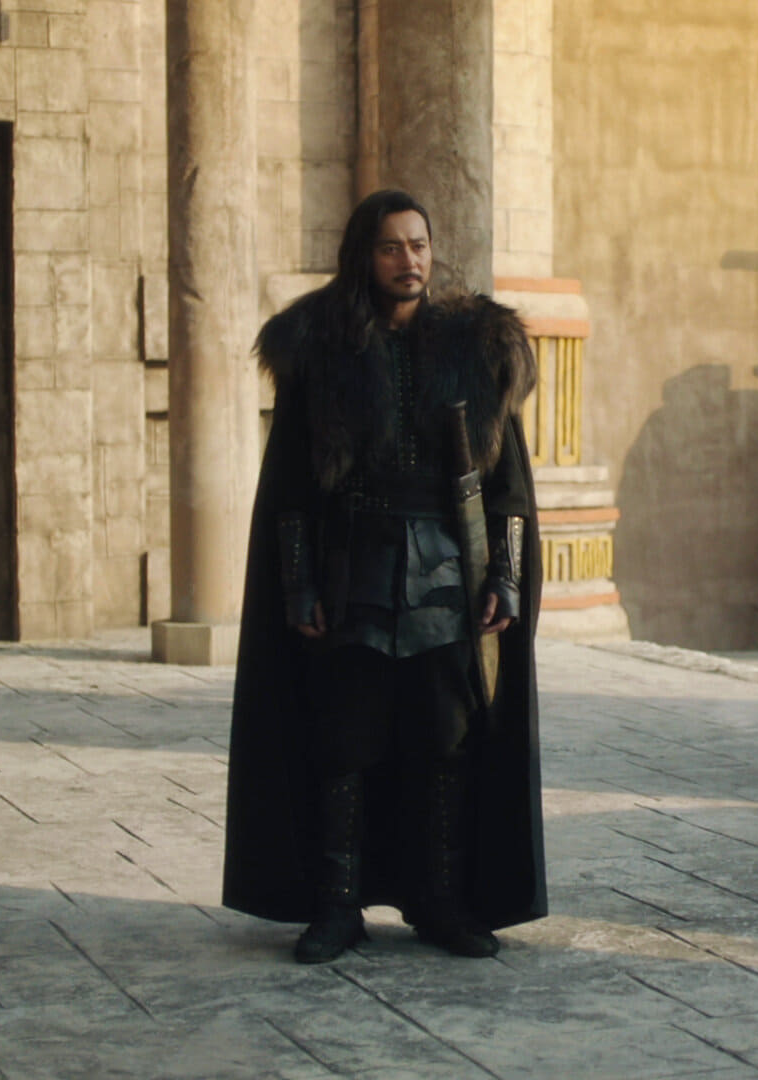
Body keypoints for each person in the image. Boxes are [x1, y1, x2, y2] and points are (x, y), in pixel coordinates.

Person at [221, 189, 545, 963]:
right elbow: (292, 488)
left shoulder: (475, 345)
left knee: (444, 739)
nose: (409, 261)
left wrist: (504, 577)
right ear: (364, 255)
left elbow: (506, 483)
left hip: (446, 575)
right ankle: (337, 907)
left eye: (419, 245)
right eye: (392, 247)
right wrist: (299, 586)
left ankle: (441, 903)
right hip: (352, 572)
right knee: (345, 740)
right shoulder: (321, 346)